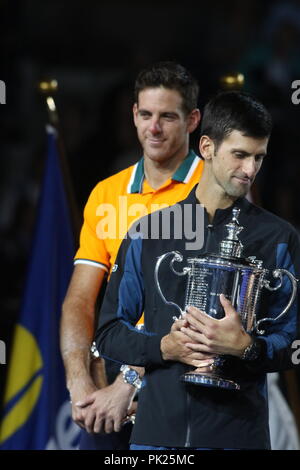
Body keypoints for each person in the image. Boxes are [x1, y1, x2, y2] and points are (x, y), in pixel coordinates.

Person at [95, 91, 300, 450]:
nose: (250, 170)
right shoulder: (149, 232)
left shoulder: (279, 238)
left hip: (240, 438)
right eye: (239, 155)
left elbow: (294, 343)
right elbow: (109, 333)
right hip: (156, 440)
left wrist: (247, 347)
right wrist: (164, 346)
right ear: (206, 147)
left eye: (259, 157)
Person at [60, 61, 203, 449]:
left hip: (182, 383)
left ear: (192, 120)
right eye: (146, 114)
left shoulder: (213, 191)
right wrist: (80, 385)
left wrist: (130, 383)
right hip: (109, 385)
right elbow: (79, 299)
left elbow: (195, 308)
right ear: (133, 115)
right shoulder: (107, 193)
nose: (153, 129)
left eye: (167, 117)